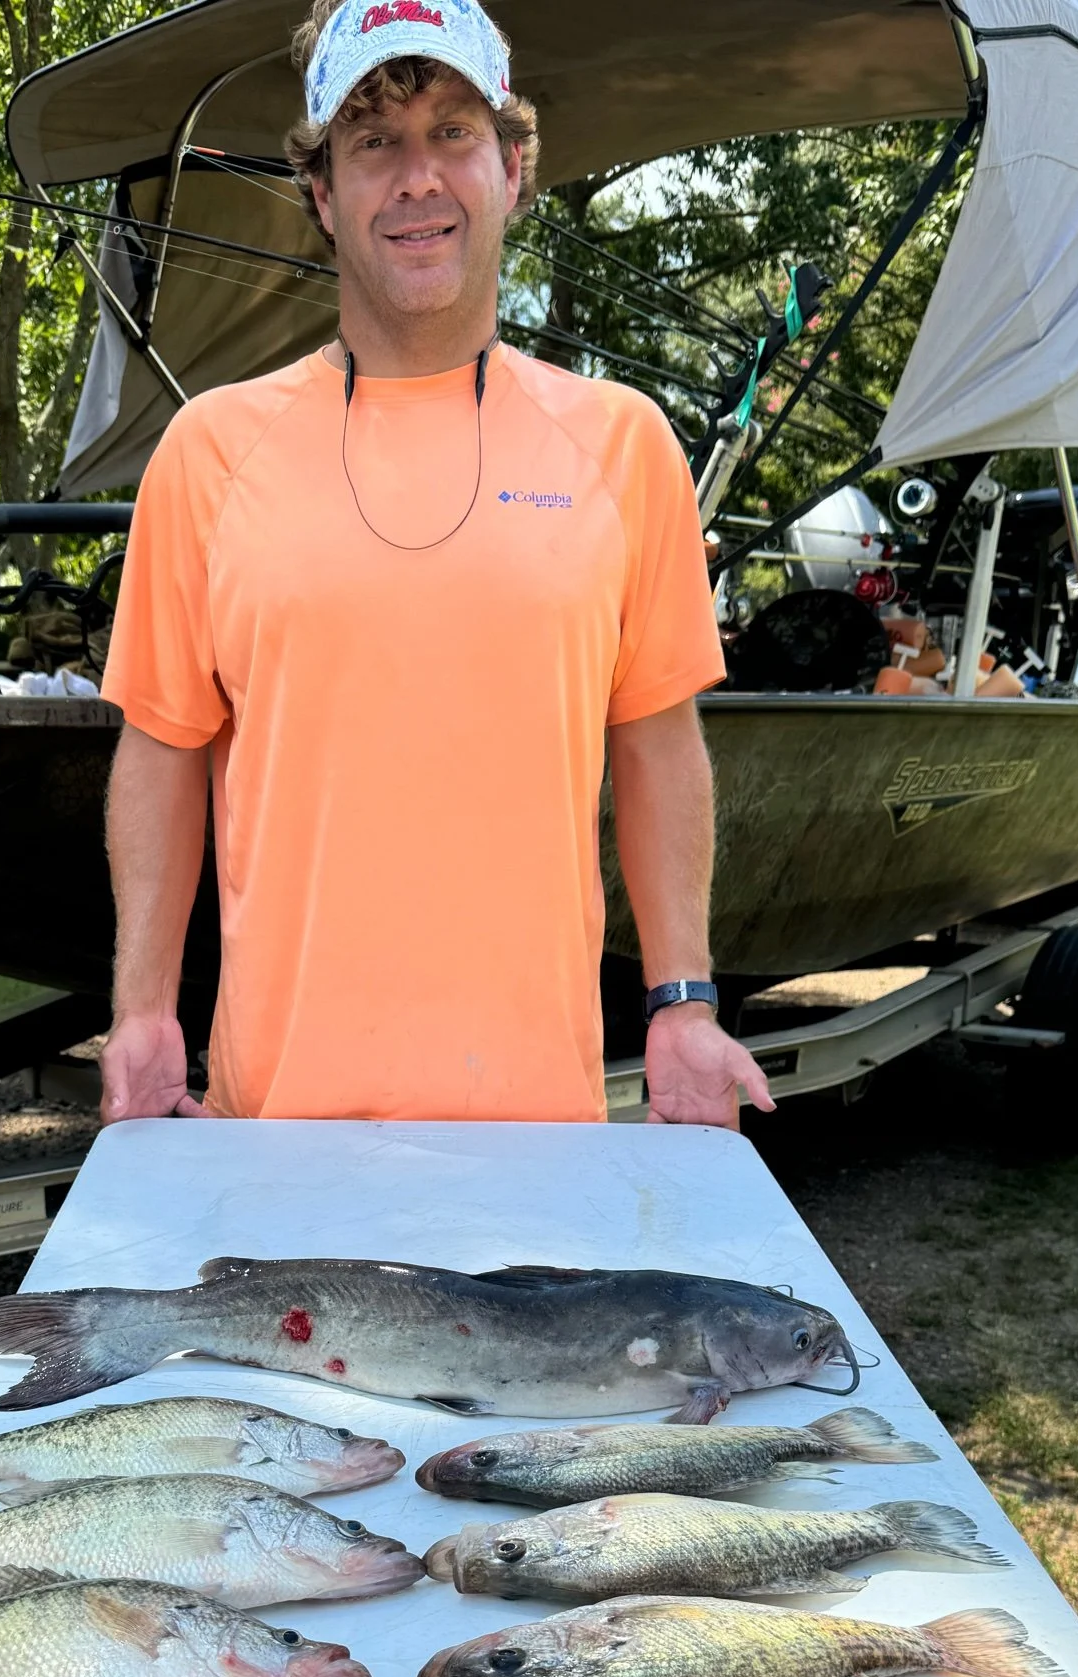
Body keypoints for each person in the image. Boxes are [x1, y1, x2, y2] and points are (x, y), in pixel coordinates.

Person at [95, 0, 773, 1131]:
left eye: (452, 132)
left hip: (537, 1129)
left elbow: (656, 738)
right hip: (273, 1131)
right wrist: (142, 1012)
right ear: (320, 191)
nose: (417, 178)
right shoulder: (209, 451)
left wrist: (686, 1001)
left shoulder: (623, 444)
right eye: (373, 141)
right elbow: (163, 745)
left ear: (513, 166)